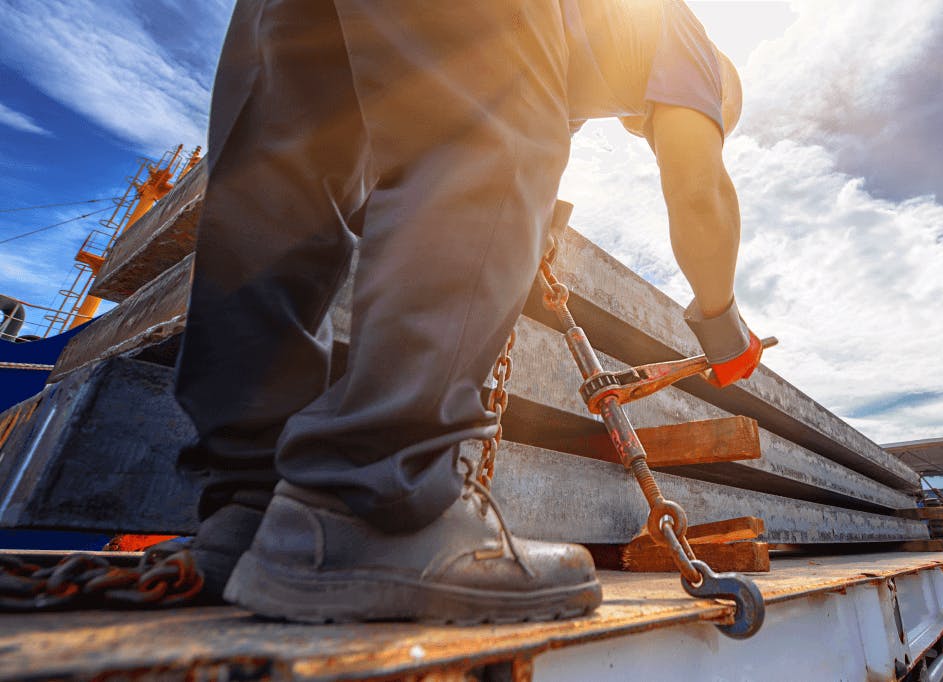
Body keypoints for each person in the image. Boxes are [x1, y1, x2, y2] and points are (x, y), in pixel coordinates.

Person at [174, 0, 763, 624]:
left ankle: (253, 508)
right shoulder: (681, 33)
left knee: (282, 184)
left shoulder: (583, 45)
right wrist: (723, 326)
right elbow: (699, 185)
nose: (649, 128)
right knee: (492, 129)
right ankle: (376, 502)